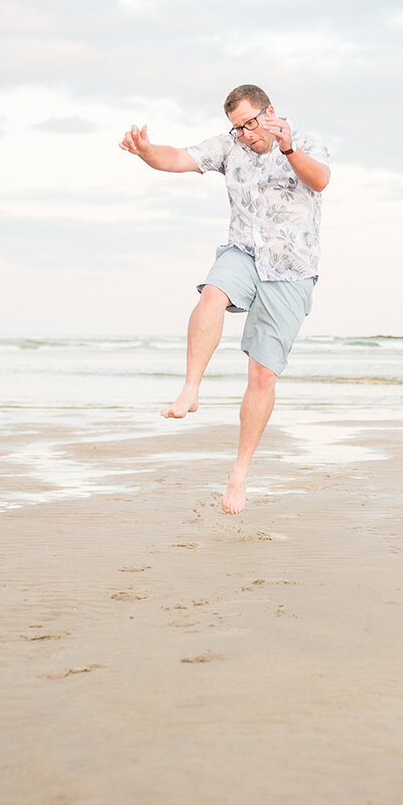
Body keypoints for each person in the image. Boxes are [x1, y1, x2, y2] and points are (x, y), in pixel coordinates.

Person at [120, 85, 330, 513]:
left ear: (270, 113)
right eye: (237, 127)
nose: (246, 134)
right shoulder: (229, 146)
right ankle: (190, 390)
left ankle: (239, 475)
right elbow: (178, 157)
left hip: (291, 269)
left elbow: (320, 179)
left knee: (262, 377)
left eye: (251, 124)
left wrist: (288, 149)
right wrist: (145, 152)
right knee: (213, 293)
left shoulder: (304, 140)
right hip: (244, 253)